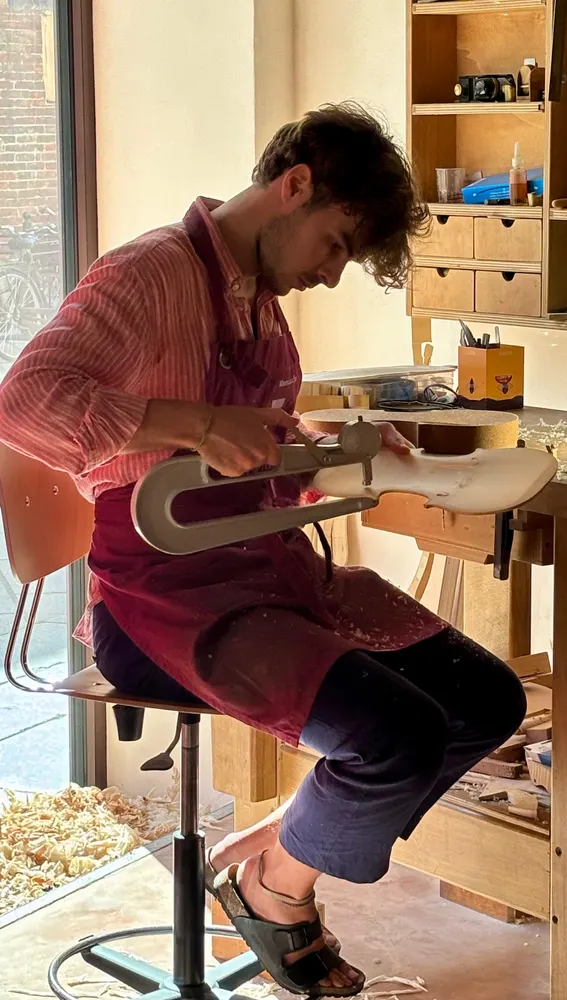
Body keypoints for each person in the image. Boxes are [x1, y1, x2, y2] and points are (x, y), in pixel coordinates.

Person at [0, 103, 526, 996]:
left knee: (484, 699)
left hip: (264, 566)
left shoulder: (261, 312)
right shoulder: (148, 274)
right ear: (294, 186)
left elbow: (254, 476)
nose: (330, 274)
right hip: (157, 595)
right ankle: (275, 893)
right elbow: (24, 400)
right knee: (393, 733)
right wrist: (195, 422)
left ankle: (268, 856)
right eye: (334, 244)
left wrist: (337, 457)